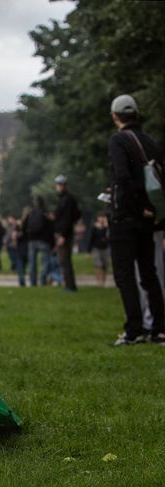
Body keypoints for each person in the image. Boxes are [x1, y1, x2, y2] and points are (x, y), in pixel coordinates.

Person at [107, 94, 165, 345]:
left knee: (124, 274)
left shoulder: (119, 140)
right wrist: (150, 209)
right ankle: (160, 328)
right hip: (149, 217)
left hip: (127, 217)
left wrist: (131, 205)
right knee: (148, 273)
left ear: (115, 116)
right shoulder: (150, 142)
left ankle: (134, 328)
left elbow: (123, 177)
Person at [53, 175, 81, 291]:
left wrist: (62, 235)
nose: (58, 187)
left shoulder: (67, 200)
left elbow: (67, 218)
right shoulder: (65, 199)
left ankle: (70, 286)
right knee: (63, 260)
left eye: (60, 185)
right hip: (64, 232)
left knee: (64, 260)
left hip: (64, 233)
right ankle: (68, 284)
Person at [23, 196, 52, 286]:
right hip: (44, 240)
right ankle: (43, 280)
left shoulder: (30, 213)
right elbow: (51, 228)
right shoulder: (45, 214)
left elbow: (24, 226)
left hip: (32, 240)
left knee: (32, 263)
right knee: (45, 262)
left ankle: (33, 282)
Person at [88, 213, 110, 287]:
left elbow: (108, 237)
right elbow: (91, 239)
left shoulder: (107, 227)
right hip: (96, 248)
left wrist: (106, 227)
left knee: (105, 266)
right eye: (100, 217)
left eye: (103, 217)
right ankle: (99, 281)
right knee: (98, 265)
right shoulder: (94, 227)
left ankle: (104, 281)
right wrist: (88, 251)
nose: (101, 219)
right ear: (97, 218)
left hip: (105, 248)